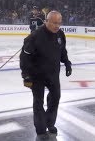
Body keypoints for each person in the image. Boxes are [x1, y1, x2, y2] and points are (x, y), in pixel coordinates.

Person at [20, 11, 72, 140]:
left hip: (53, 73)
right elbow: (24, 57)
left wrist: (67, 62)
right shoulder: (35, 36)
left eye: (59, 23)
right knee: (38, 102)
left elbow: (62, 51)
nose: (57, 26)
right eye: (54, 22)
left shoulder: (60, 34)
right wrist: (26, 75)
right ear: (46, 21)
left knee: (55, 97)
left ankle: (49, 122)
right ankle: (41, 129)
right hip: (36, 75)